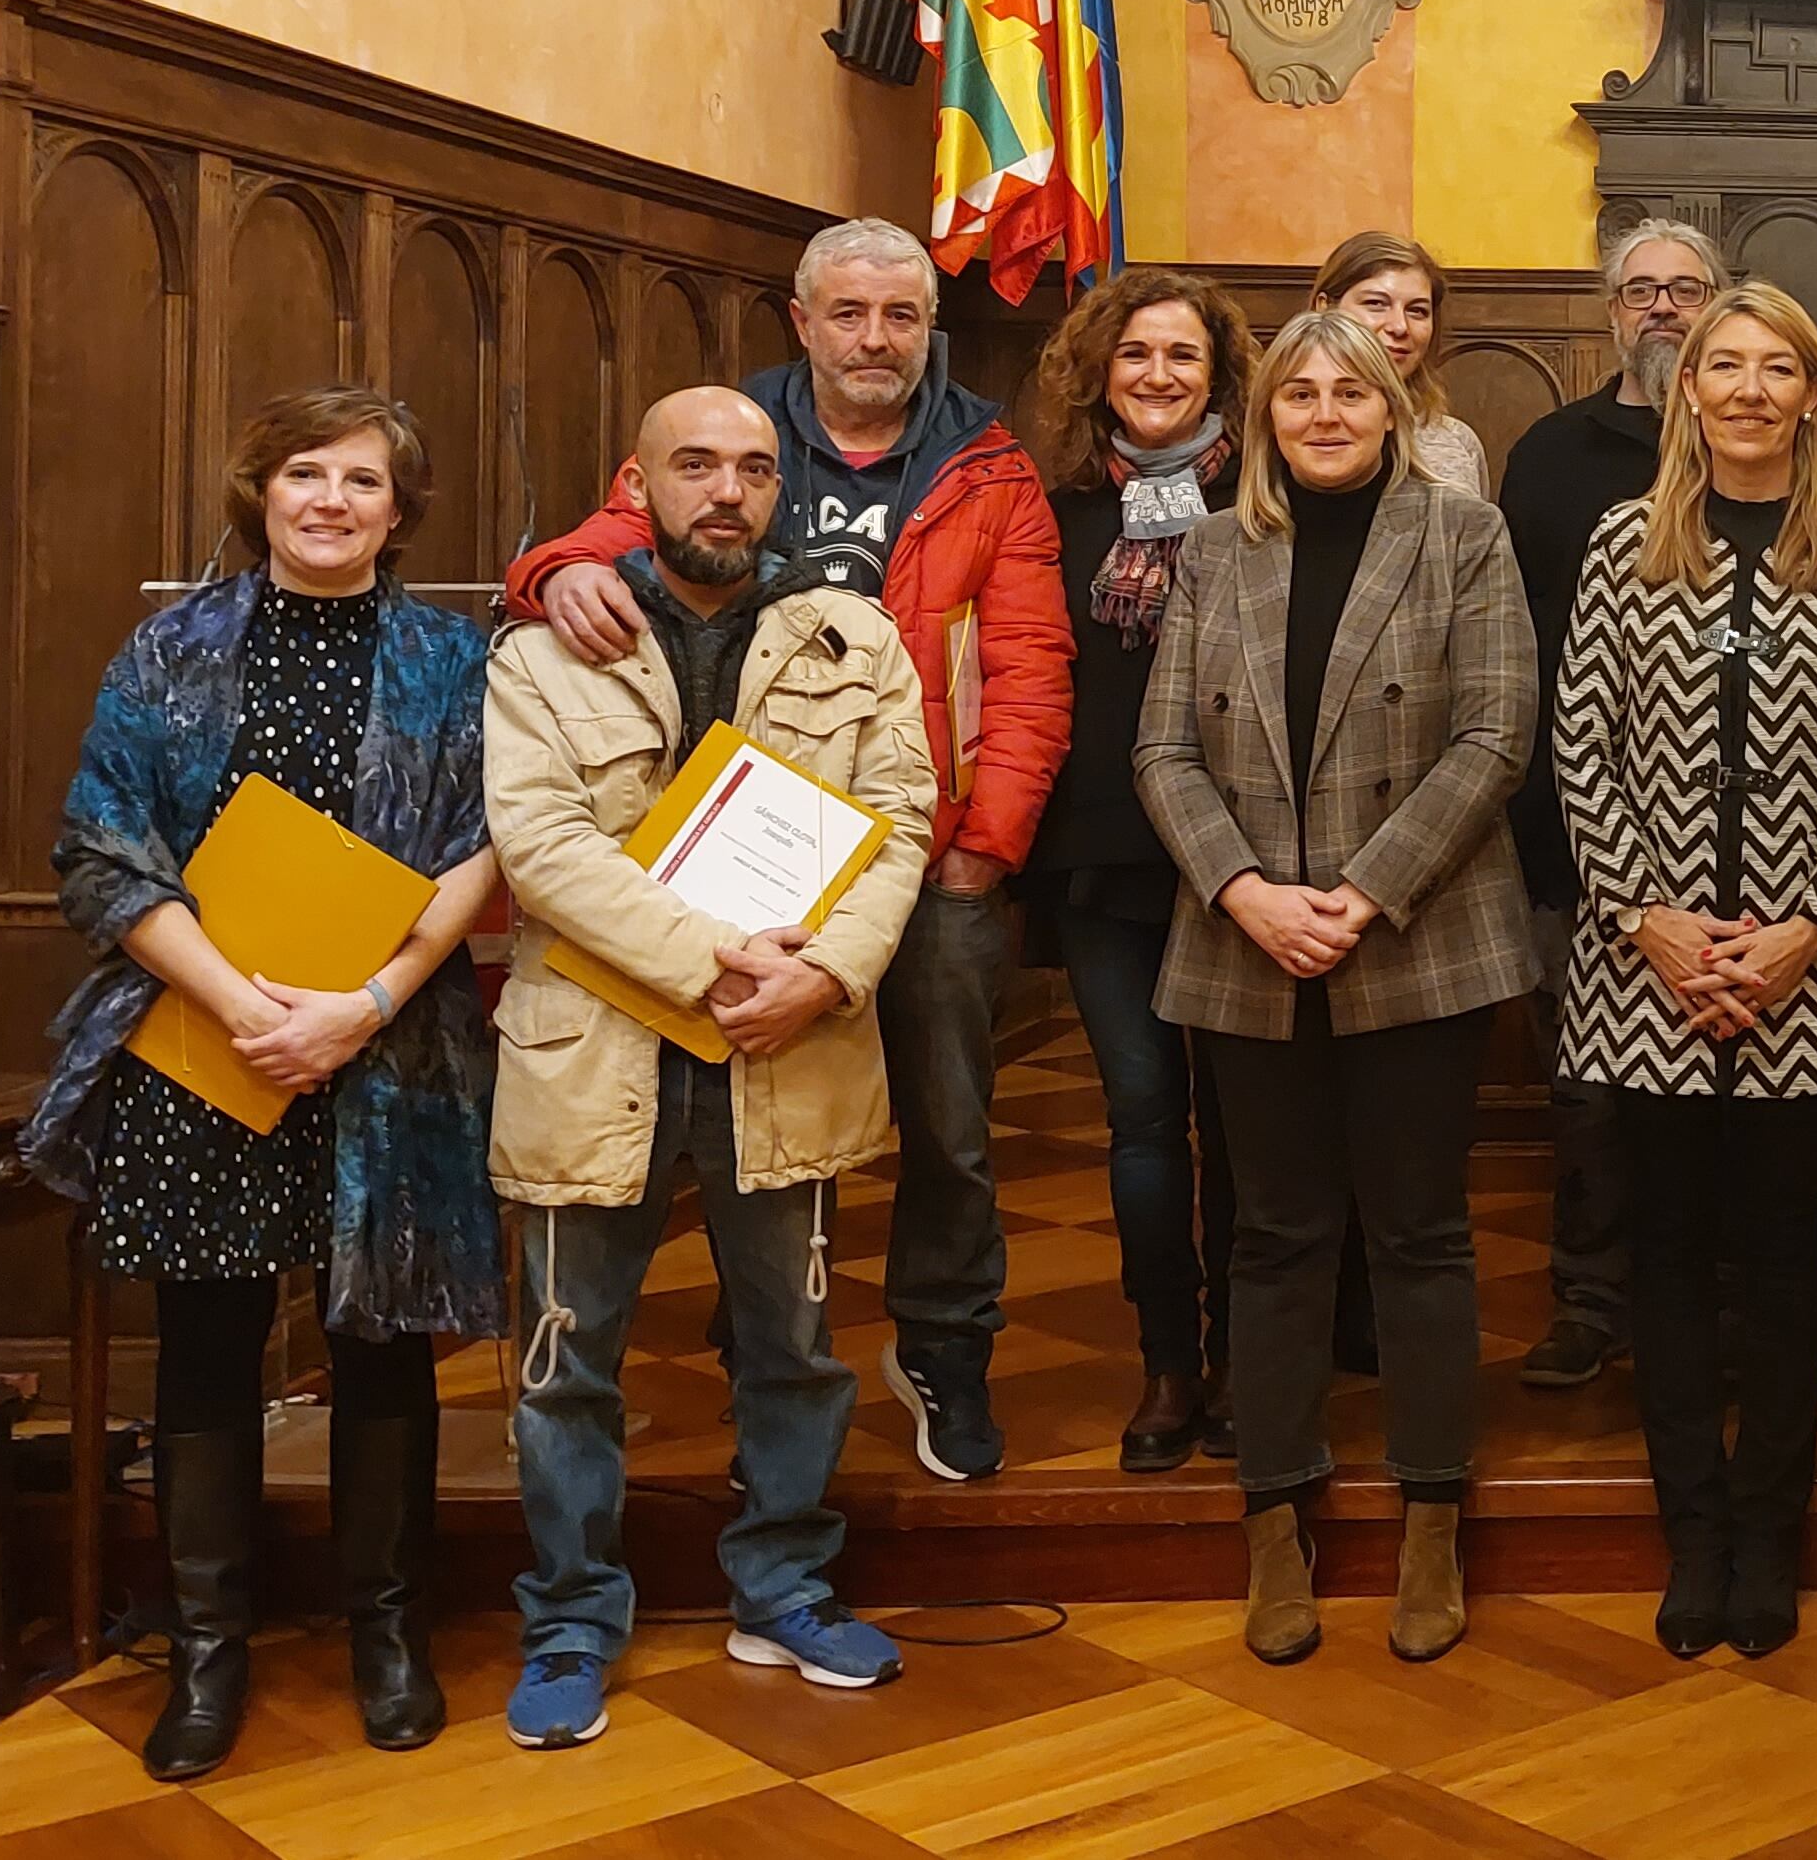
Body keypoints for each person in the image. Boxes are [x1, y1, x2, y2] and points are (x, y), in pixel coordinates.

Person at [499, 217, 1065, 1483]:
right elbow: (603, 540)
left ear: (930, 330)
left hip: (923, 851)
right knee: (720, 1113)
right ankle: (757, 1316)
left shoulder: (989, 461)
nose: (875, 338)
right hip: (711, 870)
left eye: (901, 316)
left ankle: (944, 1350)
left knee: (950, 1130)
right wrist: (545, 574)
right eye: (848, 313)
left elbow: (1028, 667)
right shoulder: (726, 434)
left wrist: (983, 847)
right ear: (800, 321)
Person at [24, 388, 504, 1777]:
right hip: (203, 1048)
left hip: (392, 1049)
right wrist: (248, 1012)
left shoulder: (450, 657)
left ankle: (390, 1633)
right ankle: (205, 1651)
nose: (332, 501)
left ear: (399, 512)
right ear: (263, 491)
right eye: (307, 473)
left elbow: (495, 842)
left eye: (364, 481)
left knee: (383, 1350)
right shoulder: (170, 649)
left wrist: (357, 1010)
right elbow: (102, 850)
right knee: (212, 1353)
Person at [486, 387, 939, 1752]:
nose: (728, 491)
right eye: (697, 466)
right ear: (639, 482)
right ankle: (570, 1620)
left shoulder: (849, 638)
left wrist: (826, 972)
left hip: (781, 1044)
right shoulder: (541, 654)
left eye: (753, 468)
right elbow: (540, 849)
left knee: (793, 1347)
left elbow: (904, 817)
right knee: (566, 1357)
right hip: (600, 1047)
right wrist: (717, 961)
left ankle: (785, 1587)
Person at [1134, 310, 1536, 1667]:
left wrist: (1362, 893)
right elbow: (1161, 752)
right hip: (1248, 937)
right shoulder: (1211, 552)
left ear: (1391, 408)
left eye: (1346, 393)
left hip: (1414, 935)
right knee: (1278, 1237)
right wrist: (1246, 891)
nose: (1320, 413)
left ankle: (1432, 1514)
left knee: (1420, 1235)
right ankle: (1274, 1516)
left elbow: (1495, 734)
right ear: (1264, 419)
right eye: (1296, 393)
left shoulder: (1462, 537)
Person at [1551, 282, 1817, 1663]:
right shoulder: (1618, 546)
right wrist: (1647, 916)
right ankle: (1689, 1530)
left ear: (1815, 395)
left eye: (1781, 369)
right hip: (1648, 970)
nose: (1752, 390)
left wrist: (1806, 926)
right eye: (1727, 366)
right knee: (1666, 1253)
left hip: (1803, 977)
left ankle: (1770, 1528)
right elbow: (1579, 745)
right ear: (1687, 387)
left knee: (1777, 1256)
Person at [1021, 266, 1260, 1472]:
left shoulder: (1267, 502)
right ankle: (1170, 1363)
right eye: (1136, 356)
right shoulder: (1053, 507)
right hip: (1105, 855)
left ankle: (1248, 1359)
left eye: (1183, 356)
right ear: (1097, 372)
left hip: (1248, 865)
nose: (1159, 376)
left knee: (1247, 1127)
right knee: (1145, 1121)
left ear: (1220, 376)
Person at [1494, 216, 1724, 1391]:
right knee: (1585, 1085)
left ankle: (1705, 1300)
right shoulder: (1547, 456)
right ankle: (1591, 1299)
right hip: (1570, 826)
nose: (1667, 311)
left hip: (1742, 847)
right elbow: (1513, 649)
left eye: (1690, 290)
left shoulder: (1763, 445)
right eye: (1645, 291)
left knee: (1717, 1086)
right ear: (1609, 308)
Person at [1315, 228, 1491, 496]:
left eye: (1417, 310)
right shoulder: (1289, 430)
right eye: (1376, 304)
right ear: (1324, 308)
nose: (1399, 326)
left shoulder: (1455, 441)